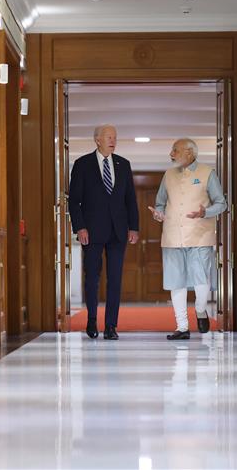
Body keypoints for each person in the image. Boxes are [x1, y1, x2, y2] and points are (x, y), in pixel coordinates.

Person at [148, 138, 227, 340]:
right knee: (176, 282)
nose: (171, 154)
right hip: (173, 236)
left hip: (200, 235)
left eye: (175, 150)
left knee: (201, 280)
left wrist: (205, 212)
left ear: (190, 153)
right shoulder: (168, 175)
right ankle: (182, 327)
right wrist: (158, 213)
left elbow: (222, 204)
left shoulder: (207, 173)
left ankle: (201, 310)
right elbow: (160, 203)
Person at [69, 124, 139, 340]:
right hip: (91, 231)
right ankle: (91, 320)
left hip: (118, 232)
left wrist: (134, 227)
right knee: (92, 277)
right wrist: (79, 227)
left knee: (115, 279)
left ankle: (111, 326)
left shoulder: (123, 164)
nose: (113, 140)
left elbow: (130, 200)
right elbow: (74, 201)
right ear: (97, 140)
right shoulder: (82, 164)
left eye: (115, 137)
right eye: (109, 137)